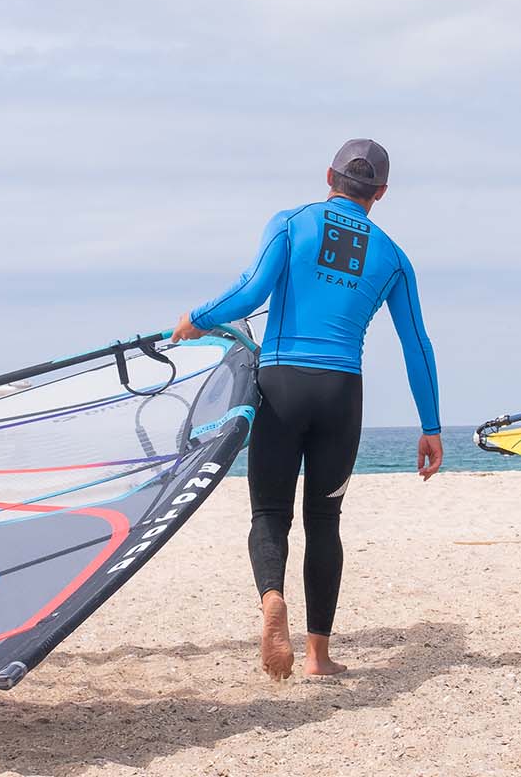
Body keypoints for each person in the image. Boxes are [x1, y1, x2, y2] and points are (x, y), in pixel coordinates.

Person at [171, 138, 442, 680]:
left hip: (281, 384)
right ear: (381, 193)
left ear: (328, 176)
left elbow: (249, 294)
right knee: (325, 521)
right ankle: (318, 656)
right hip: (341, 394)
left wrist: (195, 319)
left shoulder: (291, 223)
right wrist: (431, 426)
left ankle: (272, 599)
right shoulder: (392, 256)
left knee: (270, 513)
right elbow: (418, 345)